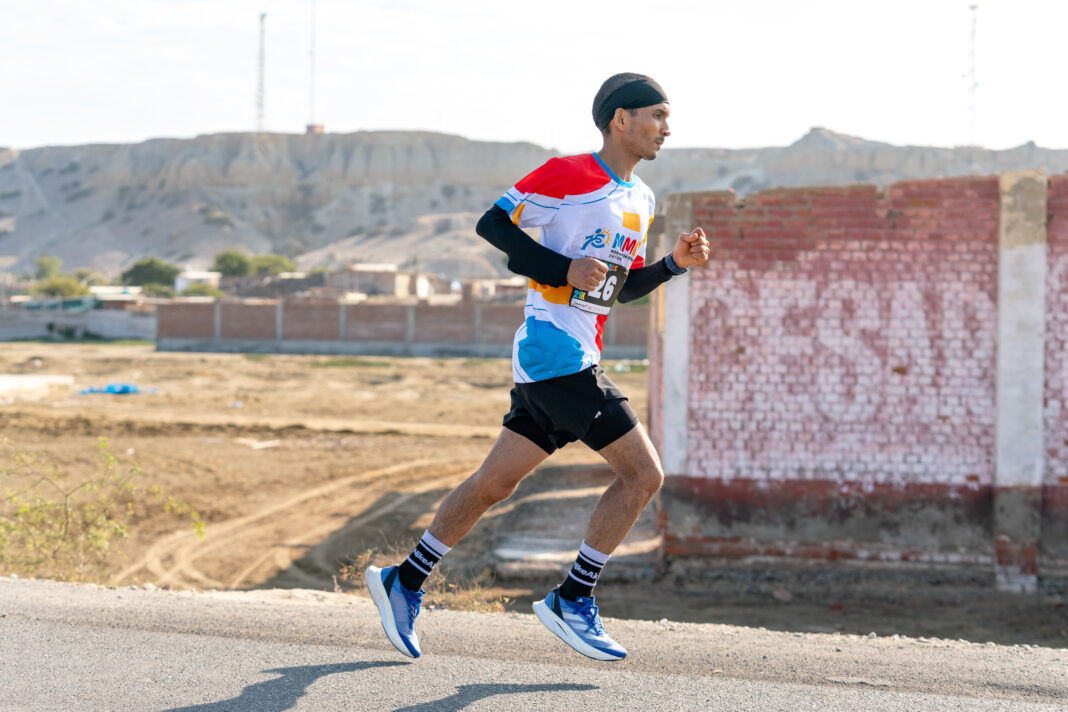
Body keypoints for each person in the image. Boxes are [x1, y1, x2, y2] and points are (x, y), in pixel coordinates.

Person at [365, 72, 709, 661]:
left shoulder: (642, 199)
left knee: (495, 484)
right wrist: (560, 269)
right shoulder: (569, 173)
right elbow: (492, 225)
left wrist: (672, 265)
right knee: (643, 476)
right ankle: (573, 599)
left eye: (668, 118)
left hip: (571, 355)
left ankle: (405, 580)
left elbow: (618, 291)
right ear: (619, 120)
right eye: (656, 115)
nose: (666, 128)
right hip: (556, 353)